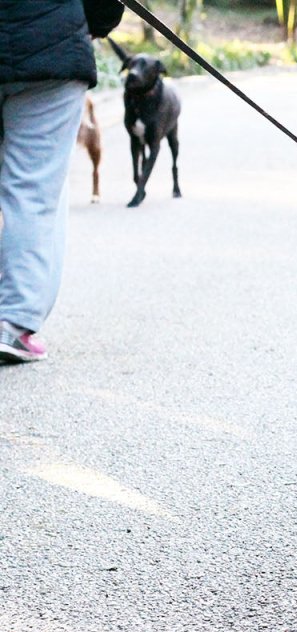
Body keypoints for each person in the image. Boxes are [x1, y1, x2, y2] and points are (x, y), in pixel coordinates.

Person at [0, 0, 124, 365]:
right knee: (32, 191)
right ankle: (11, 323)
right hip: (49, 49)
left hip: (50, 47)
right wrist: (95, 23)